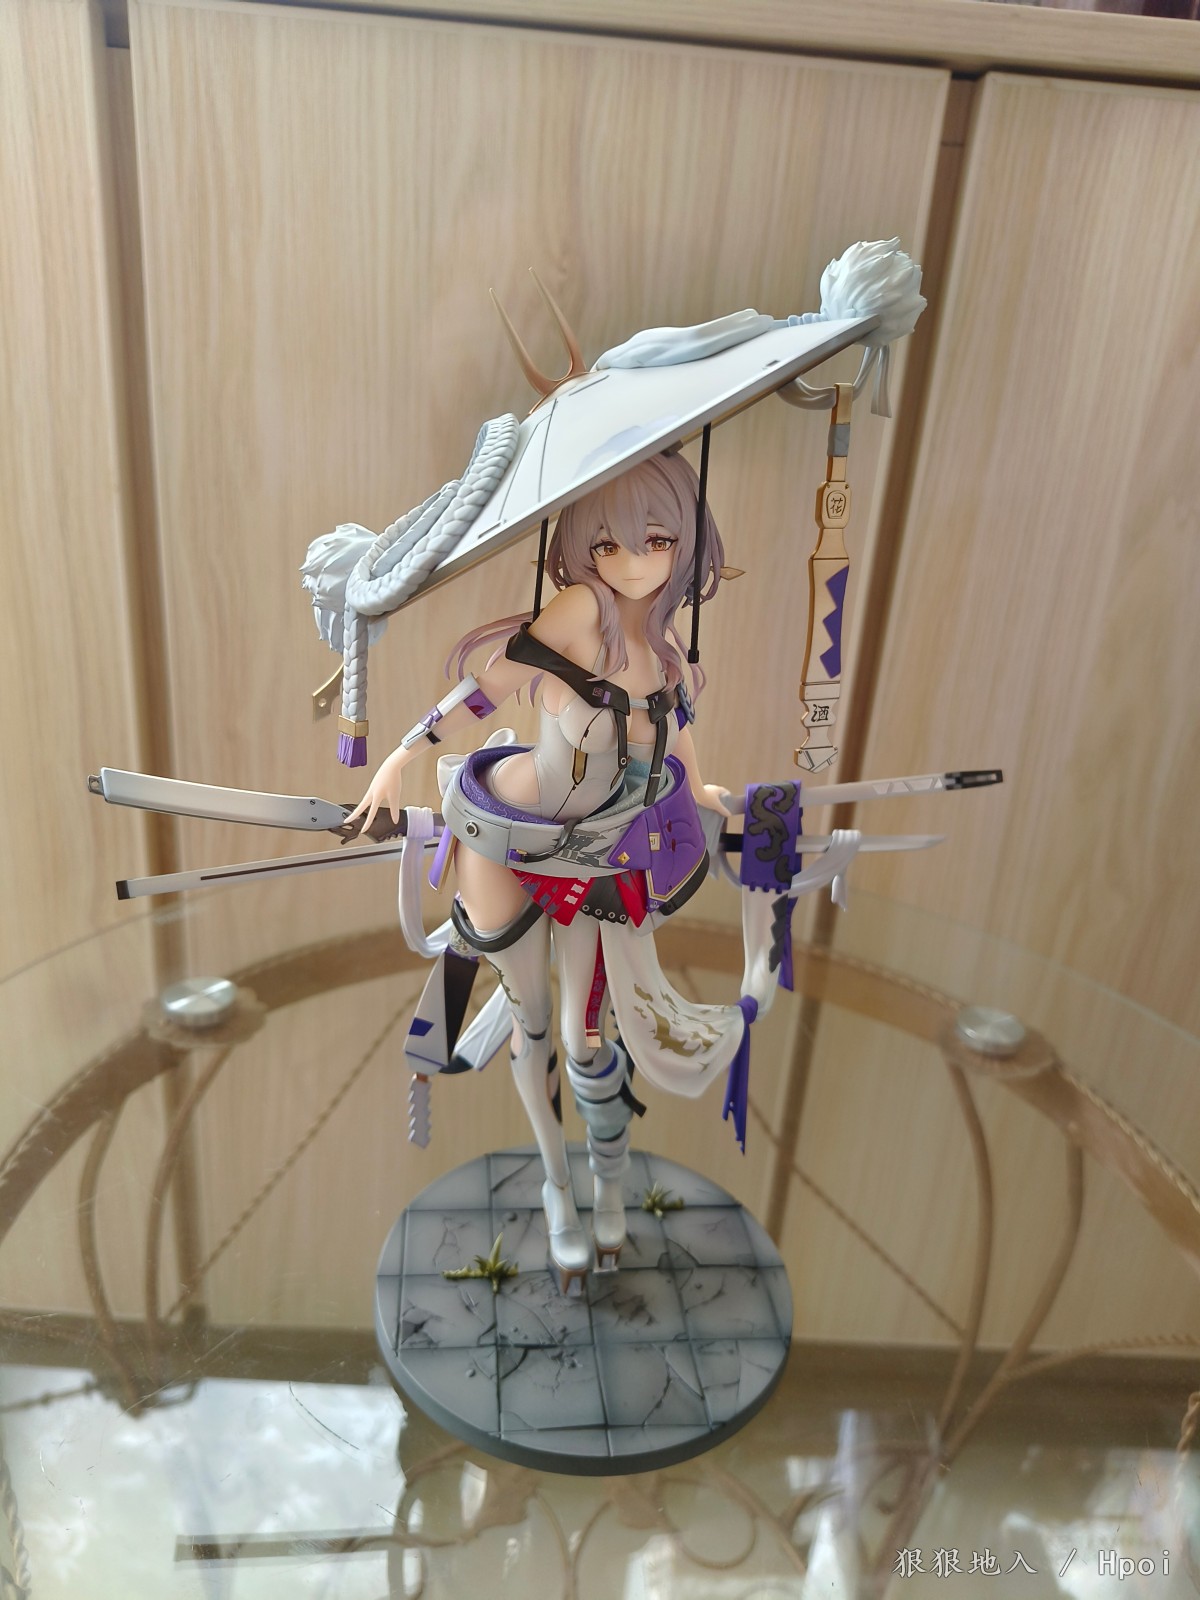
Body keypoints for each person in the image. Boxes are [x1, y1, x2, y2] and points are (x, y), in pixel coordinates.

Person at [347, 451, 772, 1293]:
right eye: (609, 544)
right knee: (534, 1023)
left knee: (586, 1039)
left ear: (685, 540)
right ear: (582, 549)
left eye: (657, 539)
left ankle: (608, 1184)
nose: (635, 561)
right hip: (507, 838)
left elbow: (676, 736)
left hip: (596, 854)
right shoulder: (579, 611)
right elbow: (486, 687)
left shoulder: (666, 647)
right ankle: (555, 1184)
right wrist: (399, 754)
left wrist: (702, 790)